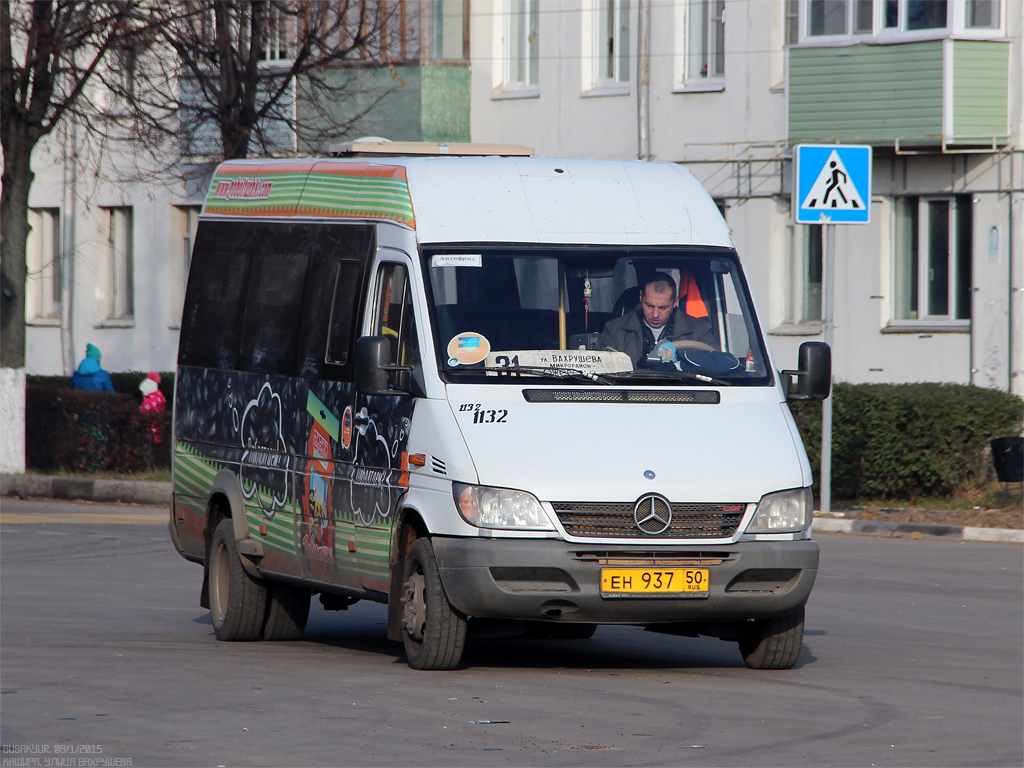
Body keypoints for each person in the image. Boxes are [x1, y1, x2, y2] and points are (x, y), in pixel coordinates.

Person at [599, 272, 716, 366]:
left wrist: (682, 361)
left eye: (663, 307)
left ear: (675, 302)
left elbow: (716, 361)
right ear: (641, 297)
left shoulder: (699, 331)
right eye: (649, 306)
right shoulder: (614, 331)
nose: (655, 314)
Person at [139, 372, 167, 445]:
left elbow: (144, 414)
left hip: (150, 433)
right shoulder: (159, 398)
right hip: (157, 432)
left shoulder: (149, 402)